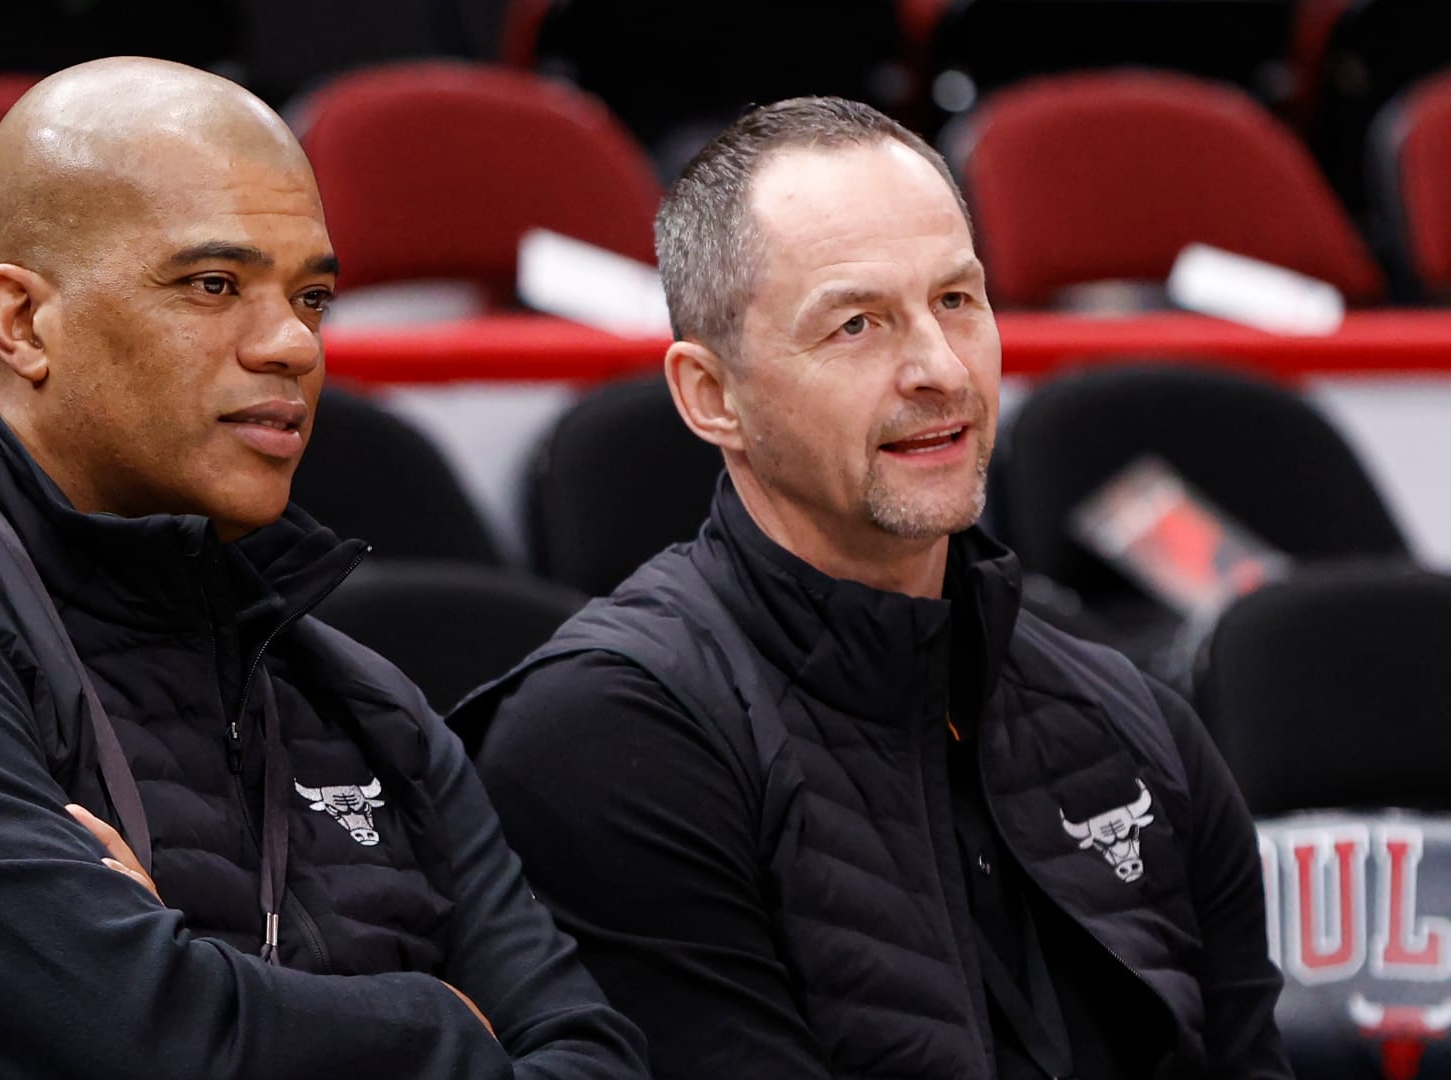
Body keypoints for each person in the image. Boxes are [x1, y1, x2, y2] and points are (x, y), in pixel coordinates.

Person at [0, 57, 647, 1079]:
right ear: (22, 323)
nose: (291, 345)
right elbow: (145, 1051)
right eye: (214, 284)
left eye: (311, 296)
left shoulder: (365, 705)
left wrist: (201, 980)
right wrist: (448, 1025)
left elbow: (592, 1061)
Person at [458, 97, 1291, 1079]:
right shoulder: (604, 732)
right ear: (710, 395)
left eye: (957, 300)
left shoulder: (1135, 722)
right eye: (859, 325)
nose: (939, 369)